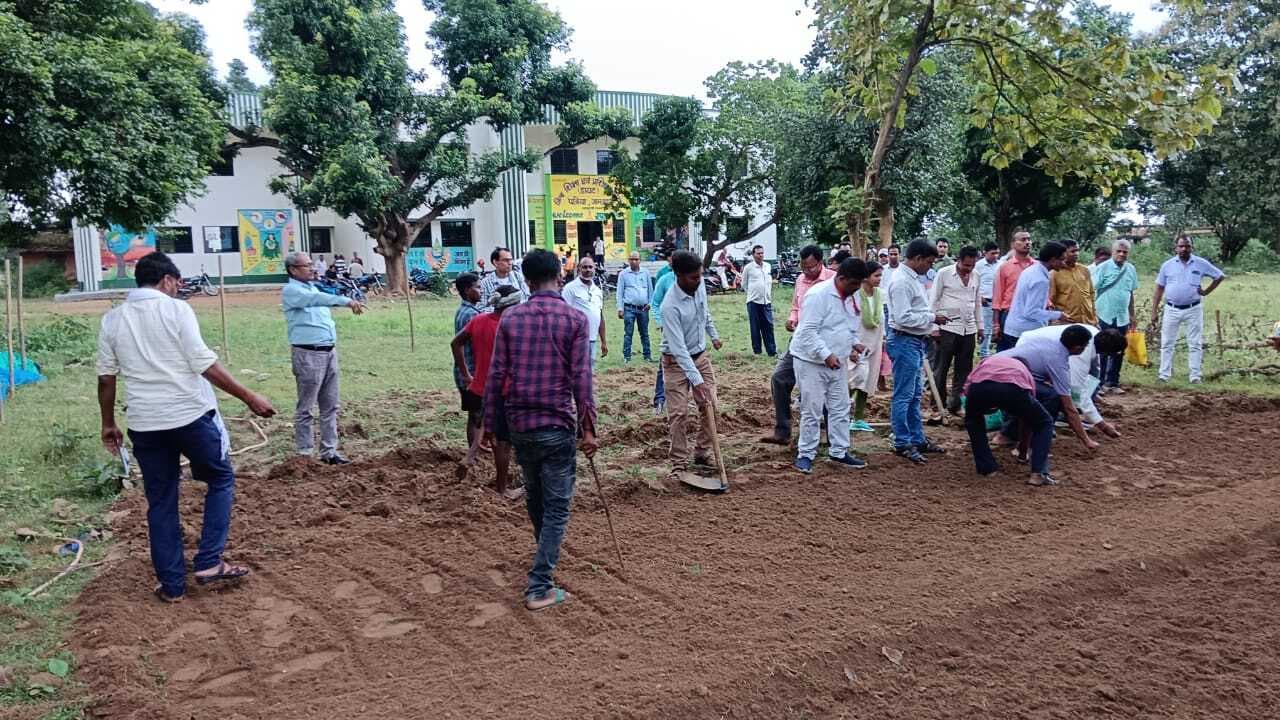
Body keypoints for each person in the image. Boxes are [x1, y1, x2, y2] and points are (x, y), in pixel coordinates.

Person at [97, 252, 276, 603]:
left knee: (160, 501)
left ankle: (172, 585)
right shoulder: (177, 310)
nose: (179, 289)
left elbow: (106, 378)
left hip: (146, 424)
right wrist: (248, 396)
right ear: (167, 280)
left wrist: (108, 423)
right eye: (178, 283)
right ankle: (209, 561)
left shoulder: (112, 320)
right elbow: (203, 362)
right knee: (220, 479)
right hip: (191, 417)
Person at [482, 248, 597, 612]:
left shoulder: (511, 320)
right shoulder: (575, 320)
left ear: (527, 281)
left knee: (536, 496)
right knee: (558, 507)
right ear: (559, 278)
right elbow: (582, 378)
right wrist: (589, 428)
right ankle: (540, 583)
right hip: (557, 423)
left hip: (520, 424)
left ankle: (543, 557)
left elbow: (496, 375)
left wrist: (489, 423)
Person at [982, 326, 1101, 485]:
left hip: (982, 374)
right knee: (1045, 419)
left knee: (1032, 408)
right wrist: (1086, 440)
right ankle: (1038, 473)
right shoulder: (1059, 362)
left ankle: (1017, 451)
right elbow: (1069, 409)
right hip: (1008, 381)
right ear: (1078, 348)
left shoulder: (1046, 342)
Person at [282, 252, 365, 464]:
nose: (312, 268)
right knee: (307, 407)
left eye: (311, 265)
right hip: (308, 353)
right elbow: (316, 300)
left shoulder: (313, 287)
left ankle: (329, 452)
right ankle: (305, 455)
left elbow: (320, 297)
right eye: (306, 265)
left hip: (328, 352)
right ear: (293, 269)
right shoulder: (292, 291)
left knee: (330, 405)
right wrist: (346, 301)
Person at [791, 258, 870, 473]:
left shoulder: (852, 296)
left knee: (841, 407)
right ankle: (806, 454)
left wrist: (855, 344)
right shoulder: (818, 295)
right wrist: (826, 354)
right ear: (841, 278)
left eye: (859, 284)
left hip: (838, 361)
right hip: (811, 361)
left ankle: (839, 451)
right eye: (854, 284)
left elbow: (847, 327)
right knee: (812, 409)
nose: (857, 288)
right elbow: (807, 332)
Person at [452, 286, 522, 499]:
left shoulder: (479, 320)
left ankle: (470, 457)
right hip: (502, 390)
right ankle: (502, 488)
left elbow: (456, 343)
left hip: (479, 386)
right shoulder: (511, 327)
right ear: (511, 305)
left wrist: (465, 373)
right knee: (502, 442)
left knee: (483, 425)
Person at [761, 244, 834, 444]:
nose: (806, 272)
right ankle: (783, 431)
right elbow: (796, 306)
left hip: (823, 343)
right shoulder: (801, 280)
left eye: (810, 267)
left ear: (820, 263)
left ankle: (833, 435)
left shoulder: (833, 281)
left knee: (825, 387)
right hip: (800, 340)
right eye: (803, 267)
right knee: (779, 379)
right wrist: (792, 319)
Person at [660, 250, 723, 477]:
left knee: (711, 406)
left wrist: (713, 335)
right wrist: (696, 381)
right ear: (678, 275)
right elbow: (679, 350)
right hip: (675, 362)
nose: (699, 281)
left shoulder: (700, 286)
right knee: (679, 414)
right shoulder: (670, 306)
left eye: (700, 276)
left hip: (700, 355)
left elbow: (704, 314)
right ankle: (678, 463)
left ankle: (702, 452)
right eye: (693, 277)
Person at [885, 239, 949, 464]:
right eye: (929, 262)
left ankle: (916, 438)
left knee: (914, 394)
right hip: (904, 341)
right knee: (904, 395)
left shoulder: (912, 279)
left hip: (913, 341)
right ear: (918, 258)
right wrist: (932, 318)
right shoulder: (902, 282)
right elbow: (903, 317)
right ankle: (902, 441)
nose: (930, 267)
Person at [1017, 324, 1125, 438]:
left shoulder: (1095, 335)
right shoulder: (1082, 351)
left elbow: (1094, 370)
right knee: (1054, 394)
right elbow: (1077, 391)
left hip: (1041, 347)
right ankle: (1037, 429)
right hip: (1029, 349)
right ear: (1106, 352)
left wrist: (1093, 392)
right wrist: (1103, 426)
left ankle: (1060, 420)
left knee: (1064, 391)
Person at [1152, 234, 1226, 383]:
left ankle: (1195, 376)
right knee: (1167, 343)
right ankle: (1164, 375)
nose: (1184, 249)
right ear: (1176, 248)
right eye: (1181, 246)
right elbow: (1159, 288)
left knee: (1195, 343)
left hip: (1193, 308)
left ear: (1192, 247)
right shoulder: (1167, 265)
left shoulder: (1200, 263)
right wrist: (1154, 311)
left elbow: (1219, 276)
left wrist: (1206, 291)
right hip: (1171, 308)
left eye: (1187, 246)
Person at [929, 246, 983, 414]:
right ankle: (937, 404)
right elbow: (933, 300)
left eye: (972, 265)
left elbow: (977, 302)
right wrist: (934, 327)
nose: (969, 269)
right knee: (941, 367)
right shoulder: (944, 274)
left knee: (964, 369)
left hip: (969, 328)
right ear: (958, 260)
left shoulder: (976, 276)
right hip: (947, 327)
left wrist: (980, 326)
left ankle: (956, 403)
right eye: (966, 265)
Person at [1090, 239, 1139, 393]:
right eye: (1119, 251)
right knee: (1103, 350)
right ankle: (1100, 383)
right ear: (1113, 252)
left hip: (1122, 316)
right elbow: (1091, 291)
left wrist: (1132, 315)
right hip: (1103, 313)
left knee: (1119, 349)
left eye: (1125, 252)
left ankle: (1113, 382)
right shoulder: (1103, 268)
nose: (1121, 254)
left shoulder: (1130, 269)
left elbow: (1130, 293)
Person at [1002, 241, 1070, 347]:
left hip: (1015, 327)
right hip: (1024, 331)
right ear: (1052, 260)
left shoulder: (1031, 270)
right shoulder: (1040, 279)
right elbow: (1031, 312)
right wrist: (1058, 315)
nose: (1064, 263)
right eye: (1062, 260)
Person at [849, 261, 887, 433]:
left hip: (875, 342)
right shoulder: (855, 296)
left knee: (868, 380)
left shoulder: (880, 294)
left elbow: (882, 319)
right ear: (866, 277)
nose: (879, 279)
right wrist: (851, 346)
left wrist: (884, 339)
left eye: (880, 275)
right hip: (857, 342)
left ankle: (858, 418)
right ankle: (838, 415)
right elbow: (850, 321)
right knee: (852, 379)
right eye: (876, 275)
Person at [991, 230, 1035, 351]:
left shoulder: (1037, 267)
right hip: (1010, 314)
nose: (1027, 242)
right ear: (1013, 244)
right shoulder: (1005, 267)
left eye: (1028, 239)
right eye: (1023, 240)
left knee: (1030, 352)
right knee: (1007, 353)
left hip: (1033, 315)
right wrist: (996, 324)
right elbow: (997, 297)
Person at [452, 272, 483, 445]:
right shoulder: (471, 315)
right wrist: (466, 375)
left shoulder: (465, 311)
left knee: (476, 413)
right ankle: (474, 450)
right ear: (467, 290)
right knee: (476, 413)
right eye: (477, 287)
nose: (481, 291)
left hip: (467, 371)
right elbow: (459, 344)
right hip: (469, 372)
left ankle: (477, 446)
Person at [562, 256, 608, 367]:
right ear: (578, 269)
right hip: (576, 340)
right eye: (585, 267)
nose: (588, 270)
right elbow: (563, 315)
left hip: (592, 339)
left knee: (589, 371)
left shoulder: (597, 290)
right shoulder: (570, 288)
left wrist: (603, 342)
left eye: (590, 267)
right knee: (577, 371)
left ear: (594, 269)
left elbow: (600, 316)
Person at [651, 255, 679, 415]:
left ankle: (680, 400)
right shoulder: (665, 279)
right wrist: (661, 322)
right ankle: (659, 400)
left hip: (687, 330)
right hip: (668, 329)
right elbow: (655, 303)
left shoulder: (691, 279)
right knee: (665, 363)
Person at [615, 251, 654, 363]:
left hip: (643, 308)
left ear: (640, 260)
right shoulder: (623, 274)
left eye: (636, 259)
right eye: (632, 259)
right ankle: (627, 357)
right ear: (628, 260)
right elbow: (619, 292)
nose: (634, 261)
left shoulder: (645, 273)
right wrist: (620, 308)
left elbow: (651, 290)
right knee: (628, 333)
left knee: (644, 333)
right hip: (629, 308)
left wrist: (650, 303)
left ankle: (647, 356)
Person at [1048, 240, 1097, 326]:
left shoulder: (1084, 270)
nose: (1076, 254)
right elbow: (1051, 300)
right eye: (1073, 251)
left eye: (1077, 250)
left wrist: (1095, 318)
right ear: (1063, 253)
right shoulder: (1054, 273)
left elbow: (1091, 294)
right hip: (1066, 322)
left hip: (1088, 321)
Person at [742, 244, 776, 356]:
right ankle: (757, 351)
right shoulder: (748, 268)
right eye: (758, 253)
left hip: (766, 301)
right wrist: (753, 293)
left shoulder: (767, 266)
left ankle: (771, 351)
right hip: (753, 302)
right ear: (753, 254)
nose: (761, 255)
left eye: (762, 253)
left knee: (768, 326)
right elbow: (744, 284)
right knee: (755, 327)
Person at [974, 242, 1001, 357]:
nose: (995, 255)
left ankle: (996, 353)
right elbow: (974, 282)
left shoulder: (1001, 265)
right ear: (985, 253)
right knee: (986, 328)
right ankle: (984, 353)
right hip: (985, 302)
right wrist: (980, 296)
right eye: (992, 253)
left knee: (997, 328)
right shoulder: (978, 265)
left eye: (997, 253)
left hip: (998, 302)